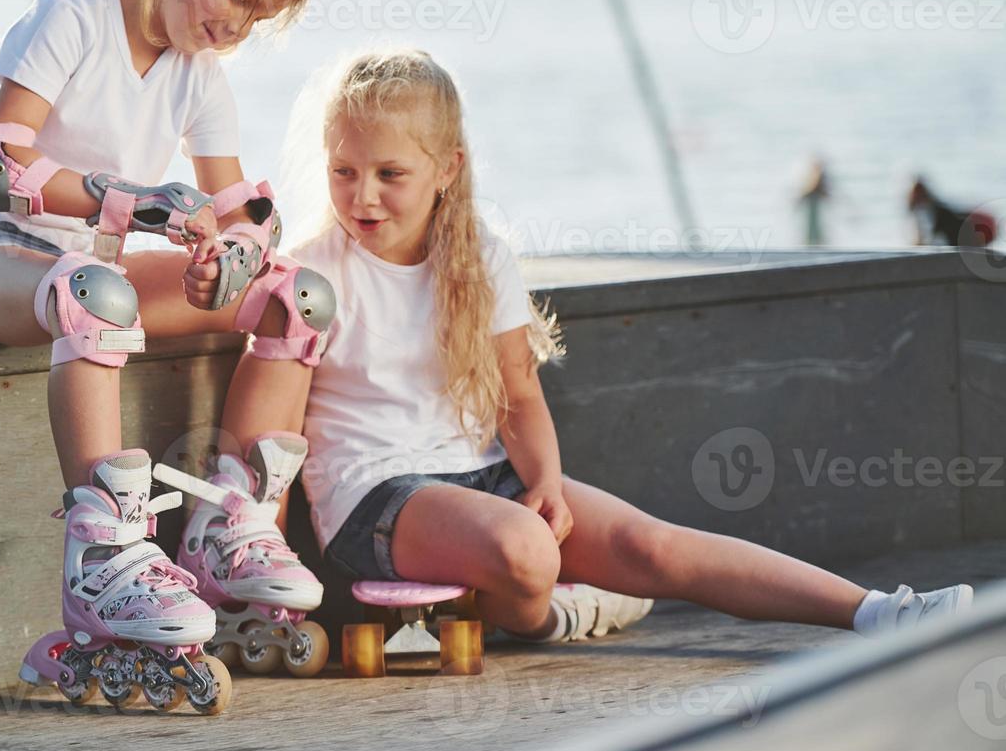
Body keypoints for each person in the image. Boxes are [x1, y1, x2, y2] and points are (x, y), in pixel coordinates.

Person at [261, 49, 973, 644]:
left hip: (482, 478)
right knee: (523, 548)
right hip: (375, 500)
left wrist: (542, 482)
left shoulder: (478, 257)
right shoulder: (316, 272)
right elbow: (271, 436)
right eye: (343, 171)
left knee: (649, 546)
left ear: (446, 170)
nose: (363, 197)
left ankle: (880, 610)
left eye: (391, 174)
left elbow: (518, 393)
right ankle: (557, 614)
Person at [0, 0, 331, 709]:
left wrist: (236, 256)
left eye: (260, 16)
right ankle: (103, 561)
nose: (239, 25)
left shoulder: (198, 75)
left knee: (295, 299)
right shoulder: (68, 19)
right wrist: (127, 200)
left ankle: (231, 529)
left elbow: (239, 207)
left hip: (75, 274)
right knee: (92, 293)